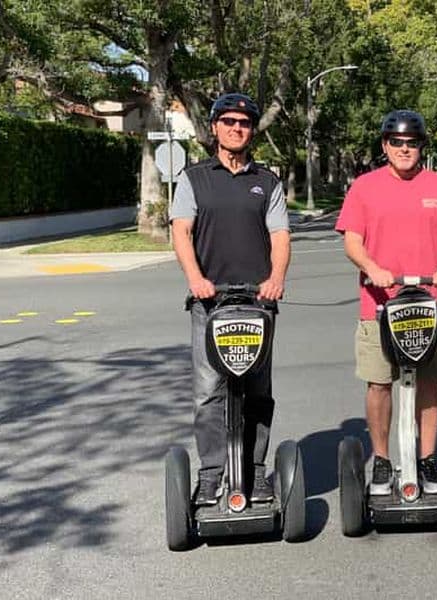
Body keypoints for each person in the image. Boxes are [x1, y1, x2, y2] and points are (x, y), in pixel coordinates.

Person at [335, 109, 437, 495]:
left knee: (428, 382)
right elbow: (352, 241)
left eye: (412, 144)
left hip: (431, 304)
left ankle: (427, 460)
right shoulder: (364, 186)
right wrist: (372, 267)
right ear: (385, 146)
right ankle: (381, 461)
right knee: (379, 384)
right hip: (378, 303)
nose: (404, 149)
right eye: (397, 143)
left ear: (421, 147)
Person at [170, 92, 291, 506]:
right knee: (208, 392)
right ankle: (210, 474)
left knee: (257, 390)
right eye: (229, 122)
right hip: (210, 302)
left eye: (244, 123)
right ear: (215, 127)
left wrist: (276, 278)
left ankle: (256, 473)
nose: (236, 128)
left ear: (251, 130)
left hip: (258, 303)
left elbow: (279, 235)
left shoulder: (268, 181)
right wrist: (196, 279)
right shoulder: (194, 178)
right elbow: (181, 232)